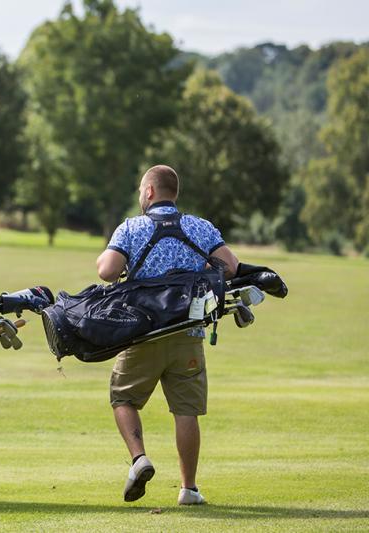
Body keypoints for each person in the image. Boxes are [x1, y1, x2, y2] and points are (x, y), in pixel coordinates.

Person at [96, 165, 239, 505]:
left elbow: (107, 271)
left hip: (142, 334)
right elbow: (231, 266)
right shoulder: (201, 227)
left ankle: (139, 458)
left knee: (123, 399)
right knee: (186, 410)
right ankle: (188, 488)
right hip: (188, 333)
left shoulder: (131, 227)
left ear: (149, 191)